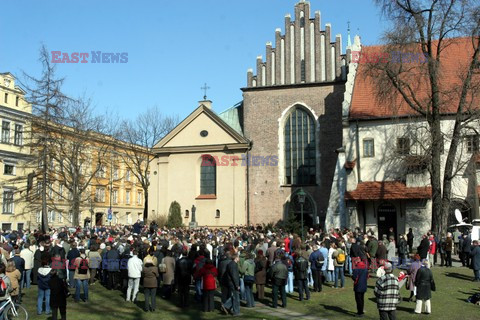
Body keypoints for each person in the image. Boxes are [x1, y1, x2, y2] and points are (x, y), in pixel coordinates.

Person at [221, 252, 240, 316]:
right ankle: (236, 312)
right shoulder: (233, 265)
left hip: (231, 282)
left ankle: (226, 305)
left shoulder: (231, 264)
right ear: (236, 258)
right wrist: (237, 285)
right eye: (238, 257)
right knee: (236, 298)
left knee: (234, 296)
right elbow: (234, 276)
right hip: (233, 283)